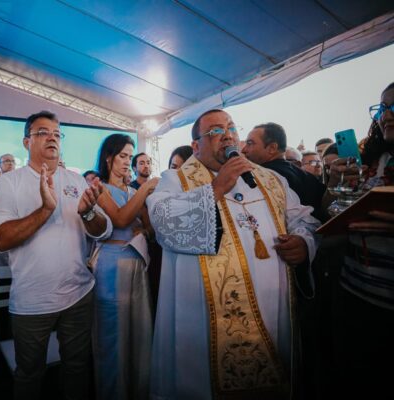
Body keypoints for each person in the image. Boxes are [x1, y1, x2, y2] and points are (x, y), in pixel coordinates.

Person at [147, 109, 319, 400]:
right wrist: (215, 188)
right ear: (196, 146)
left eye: (231, 128)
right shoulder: (175, 180)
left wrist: (304, 243)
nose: (227, 135)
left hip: (273, 312)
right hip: (206, 325)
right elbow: (162, 222)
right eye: (215, 131)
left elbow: (305, 221)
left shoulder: (270, 179)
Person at [0, 110, 111, 400]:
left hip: (79, 295)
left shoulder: (76, 180)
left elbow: (103, 230)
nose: (52, 137)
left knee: (78, 369)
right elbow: (0, 240)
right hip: (32, 301)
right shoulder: (10, 182)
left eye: (57, 133)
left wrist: (88, 213)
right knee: (29, 375)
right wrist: (45, 210)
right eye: (43, 132)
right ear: (26, 142)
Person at [324, 82, 394, 398]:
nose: (386, 116)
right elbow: (330, 211)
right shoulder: (369, 160)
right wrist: (334, 183)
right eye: (382, 108)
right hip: (354, 293)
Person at [90, 134, 158, 400]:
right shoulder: (100, 189)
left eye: (130, 156)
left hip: (137, 262)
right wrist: (145, 188)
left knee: (139, 333)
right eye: (122, 156)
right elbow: (120, 219)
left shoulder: (132, 192)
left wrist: (146, 230)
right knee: (113, 336)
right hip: (111, 264)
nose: (127, 161)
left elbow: (149, 227)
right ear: (109, 158)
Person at [242, 122, 327, 222]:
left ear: (272, 148)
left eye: (250, 143)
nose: (244, 149)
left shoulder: (265, 176)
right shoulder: (307, 176)